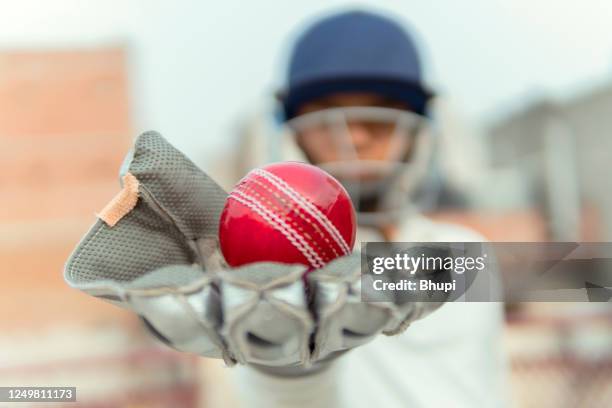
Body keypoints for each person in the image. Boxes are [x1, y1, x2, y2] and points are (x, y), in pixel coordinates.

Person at [210, 9, 507, 408]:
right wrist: (282, 362)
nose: (356, 136)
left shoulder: (464, 253)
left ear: (418, 128)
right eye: (327, 112)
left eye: (381, 112)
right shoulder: (258, 267)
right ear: (293, 128)